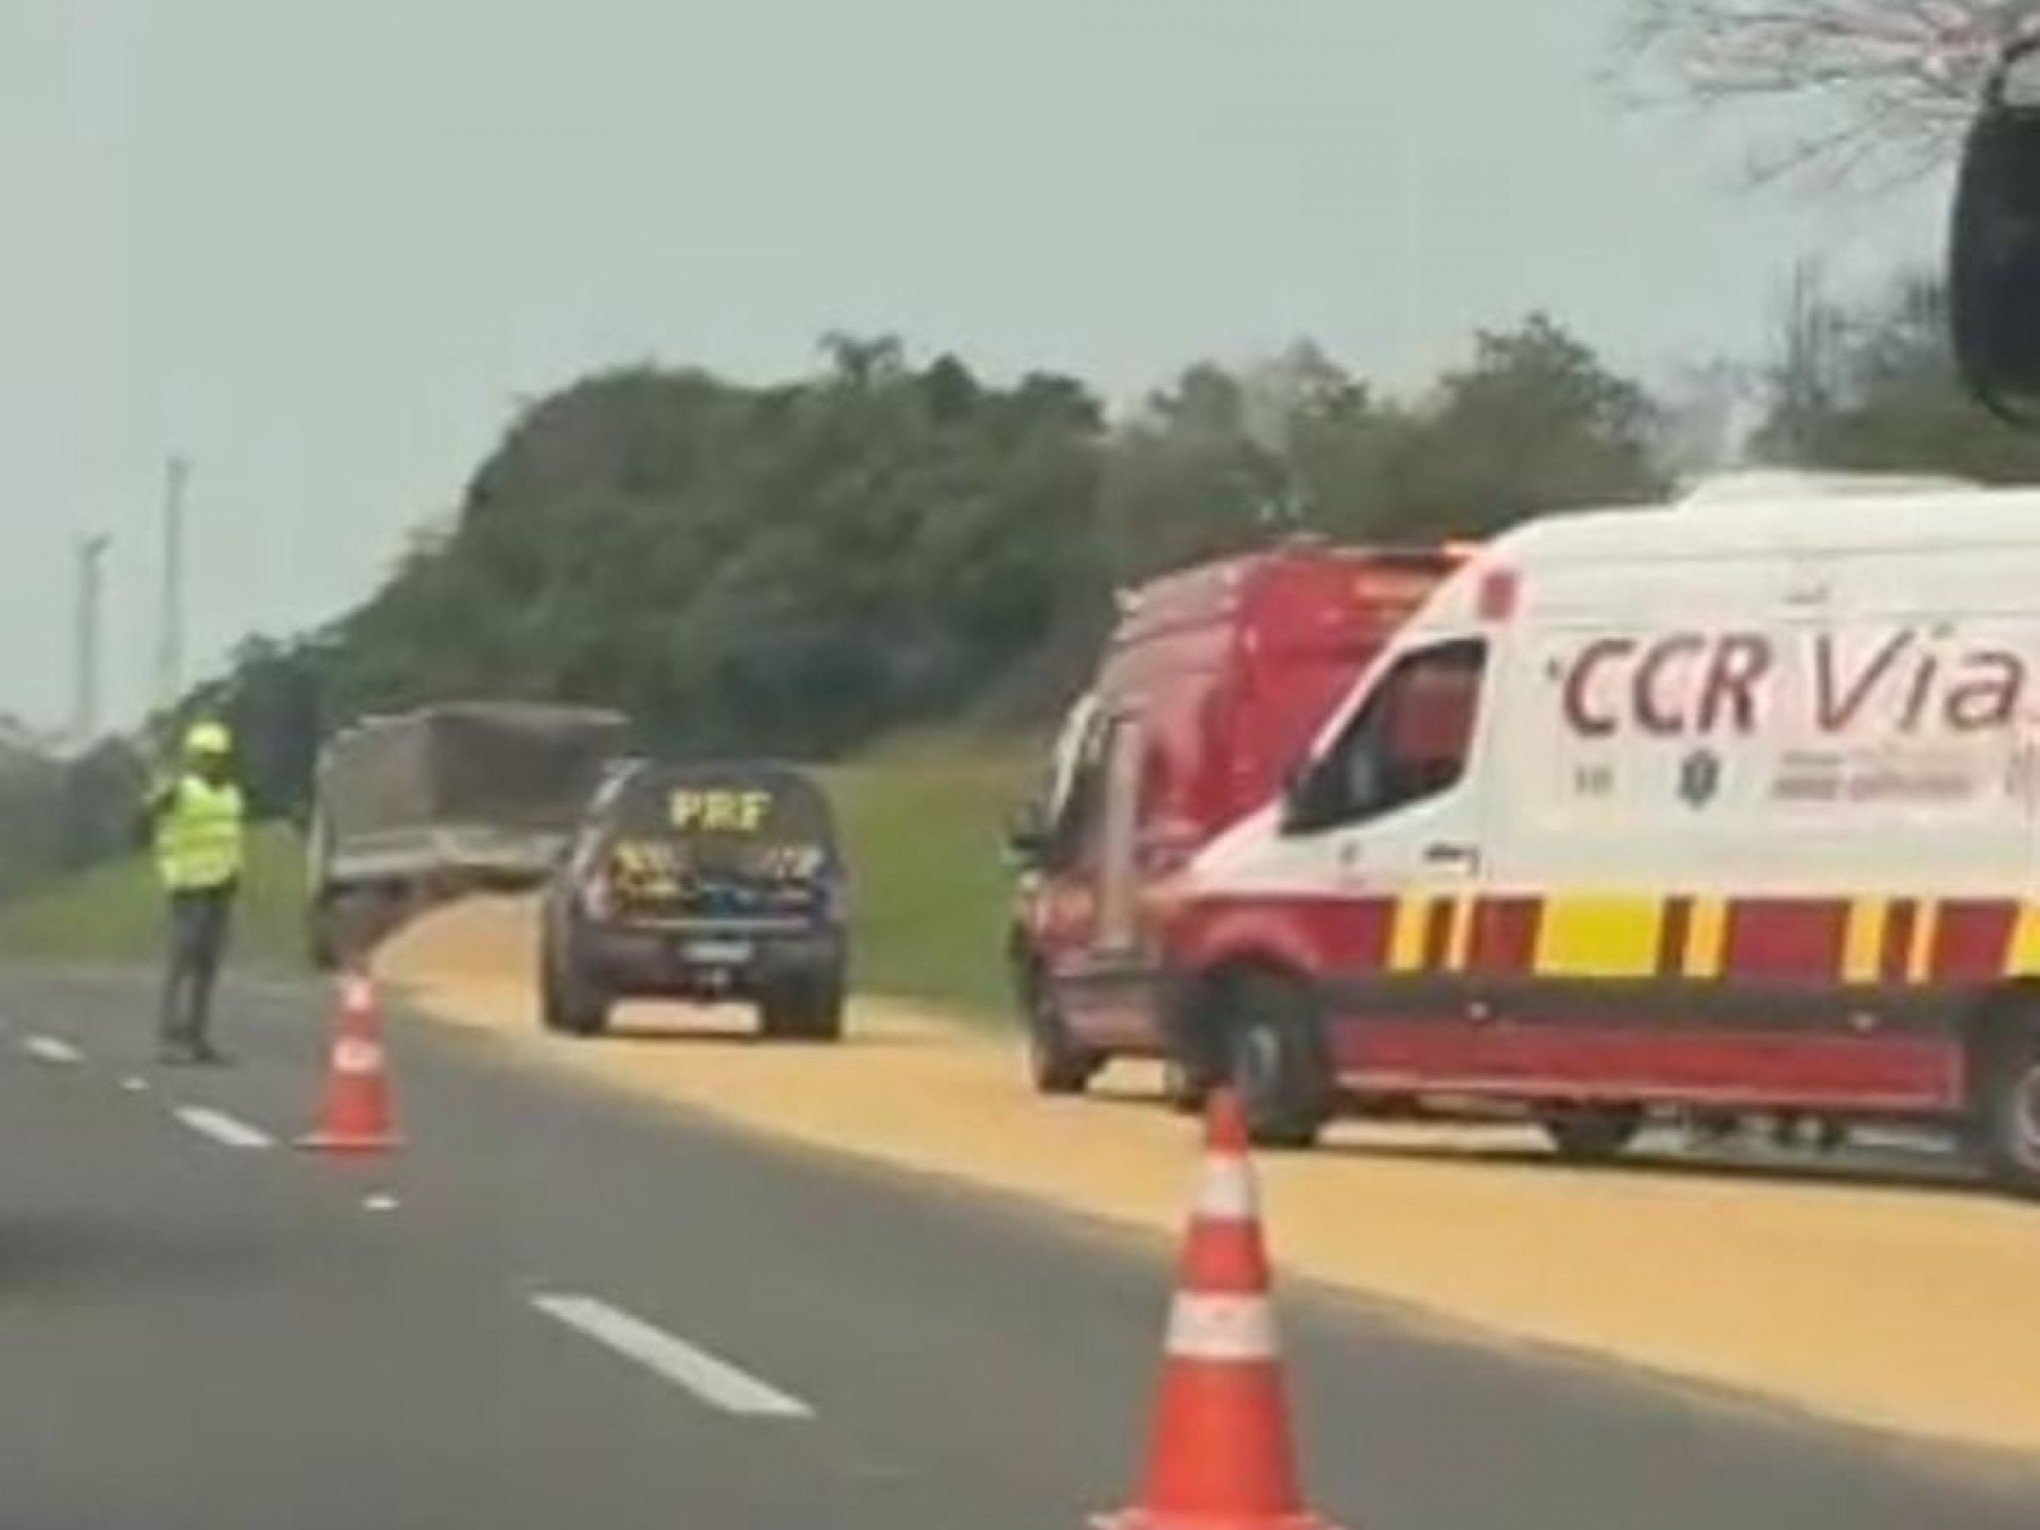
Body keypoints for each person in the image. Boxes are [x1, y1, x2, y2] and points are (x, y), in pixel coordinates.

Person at [142, 721, 247, 1065]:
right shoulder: (180, 790)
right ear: (193, 758)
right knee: (182, 962)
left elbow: (231, 838)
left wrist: (235, 876)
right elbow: (149, 811)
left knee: (208, 966)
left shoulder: (231, 793)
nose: (211, 763)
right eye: (205, 757)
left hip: (220, 886)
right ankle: (169, 1038)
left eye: (217, 757)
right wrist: (159, 791)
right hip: (188, 887)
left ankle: (198, 1037)